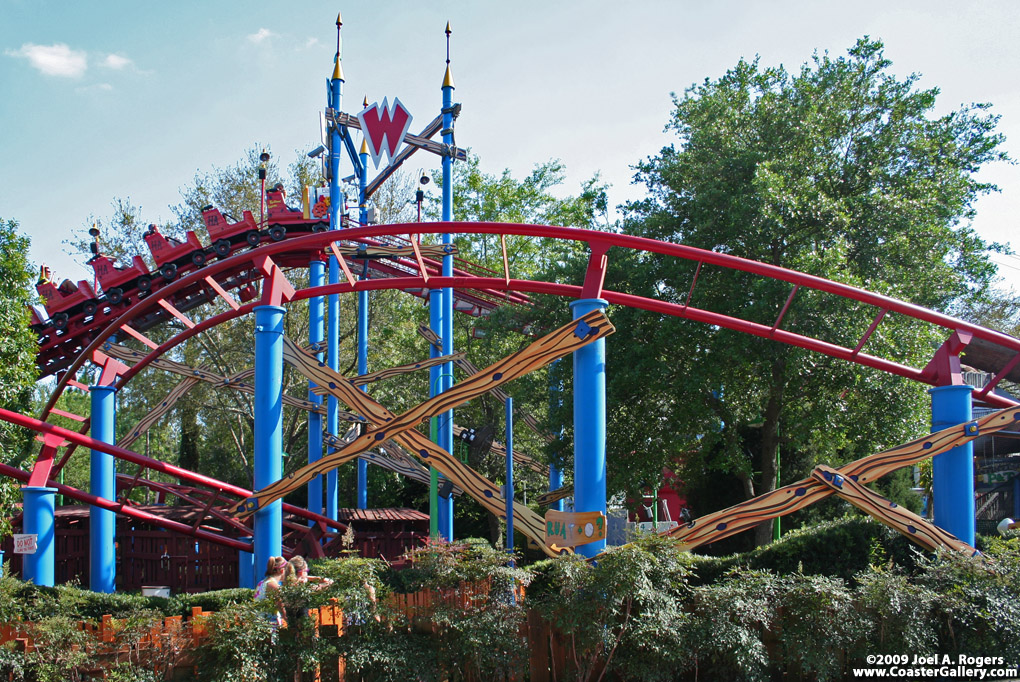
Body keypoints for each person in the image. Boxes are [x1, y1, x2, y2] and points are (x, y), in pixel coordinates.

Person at [254, 556, 288, 628]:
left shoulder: (262, 582)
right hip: (268, 626)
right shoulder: (274, 586)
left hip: (258, 624)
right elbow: (282, 609)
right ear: (282, 571)